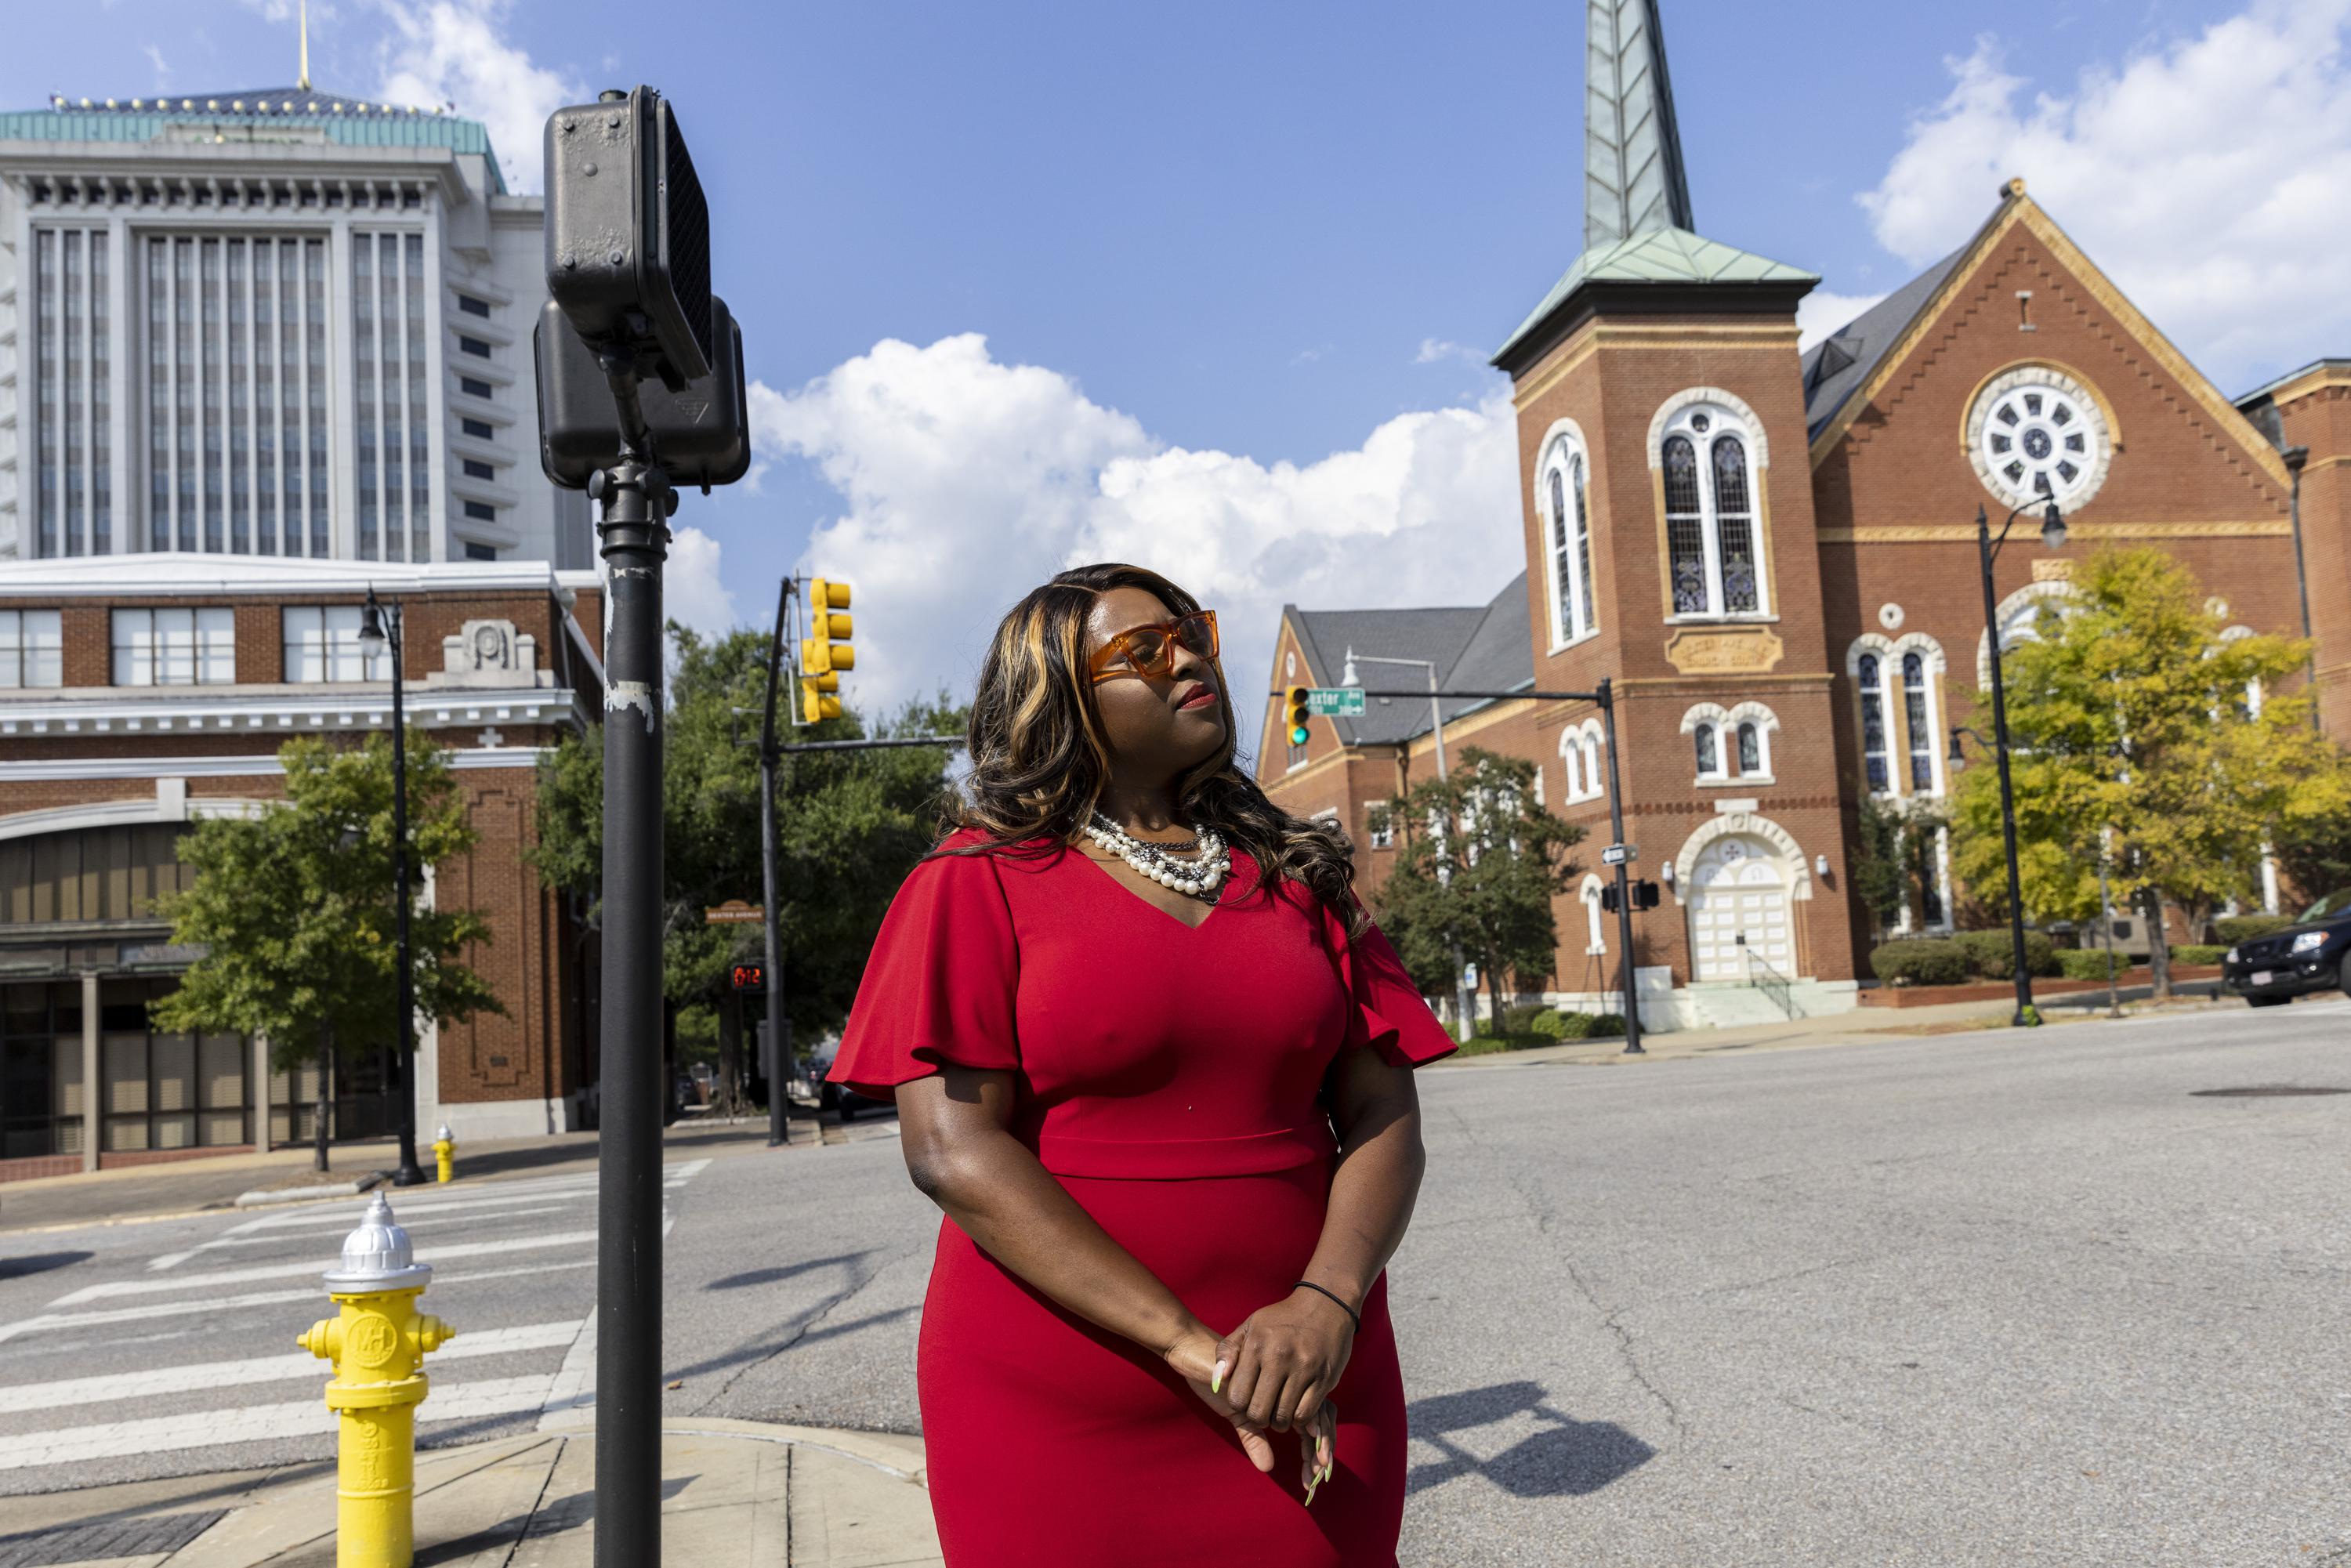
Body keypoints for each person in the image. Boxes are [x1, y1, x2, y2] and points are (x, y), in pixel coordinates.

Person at [828, 563, 1455, 1566]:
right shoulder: (975, 881)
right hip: (1058, 1402)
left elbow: (1386, 1111)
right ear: (1060, 699)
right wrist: (1189, 1346)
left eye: (1193, 632)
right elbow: (951, 1149)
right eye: (1144, 651)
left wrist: (1326, 1304)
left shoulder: (1302, 876)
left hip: (1316, 1370)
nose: (1190, 658)